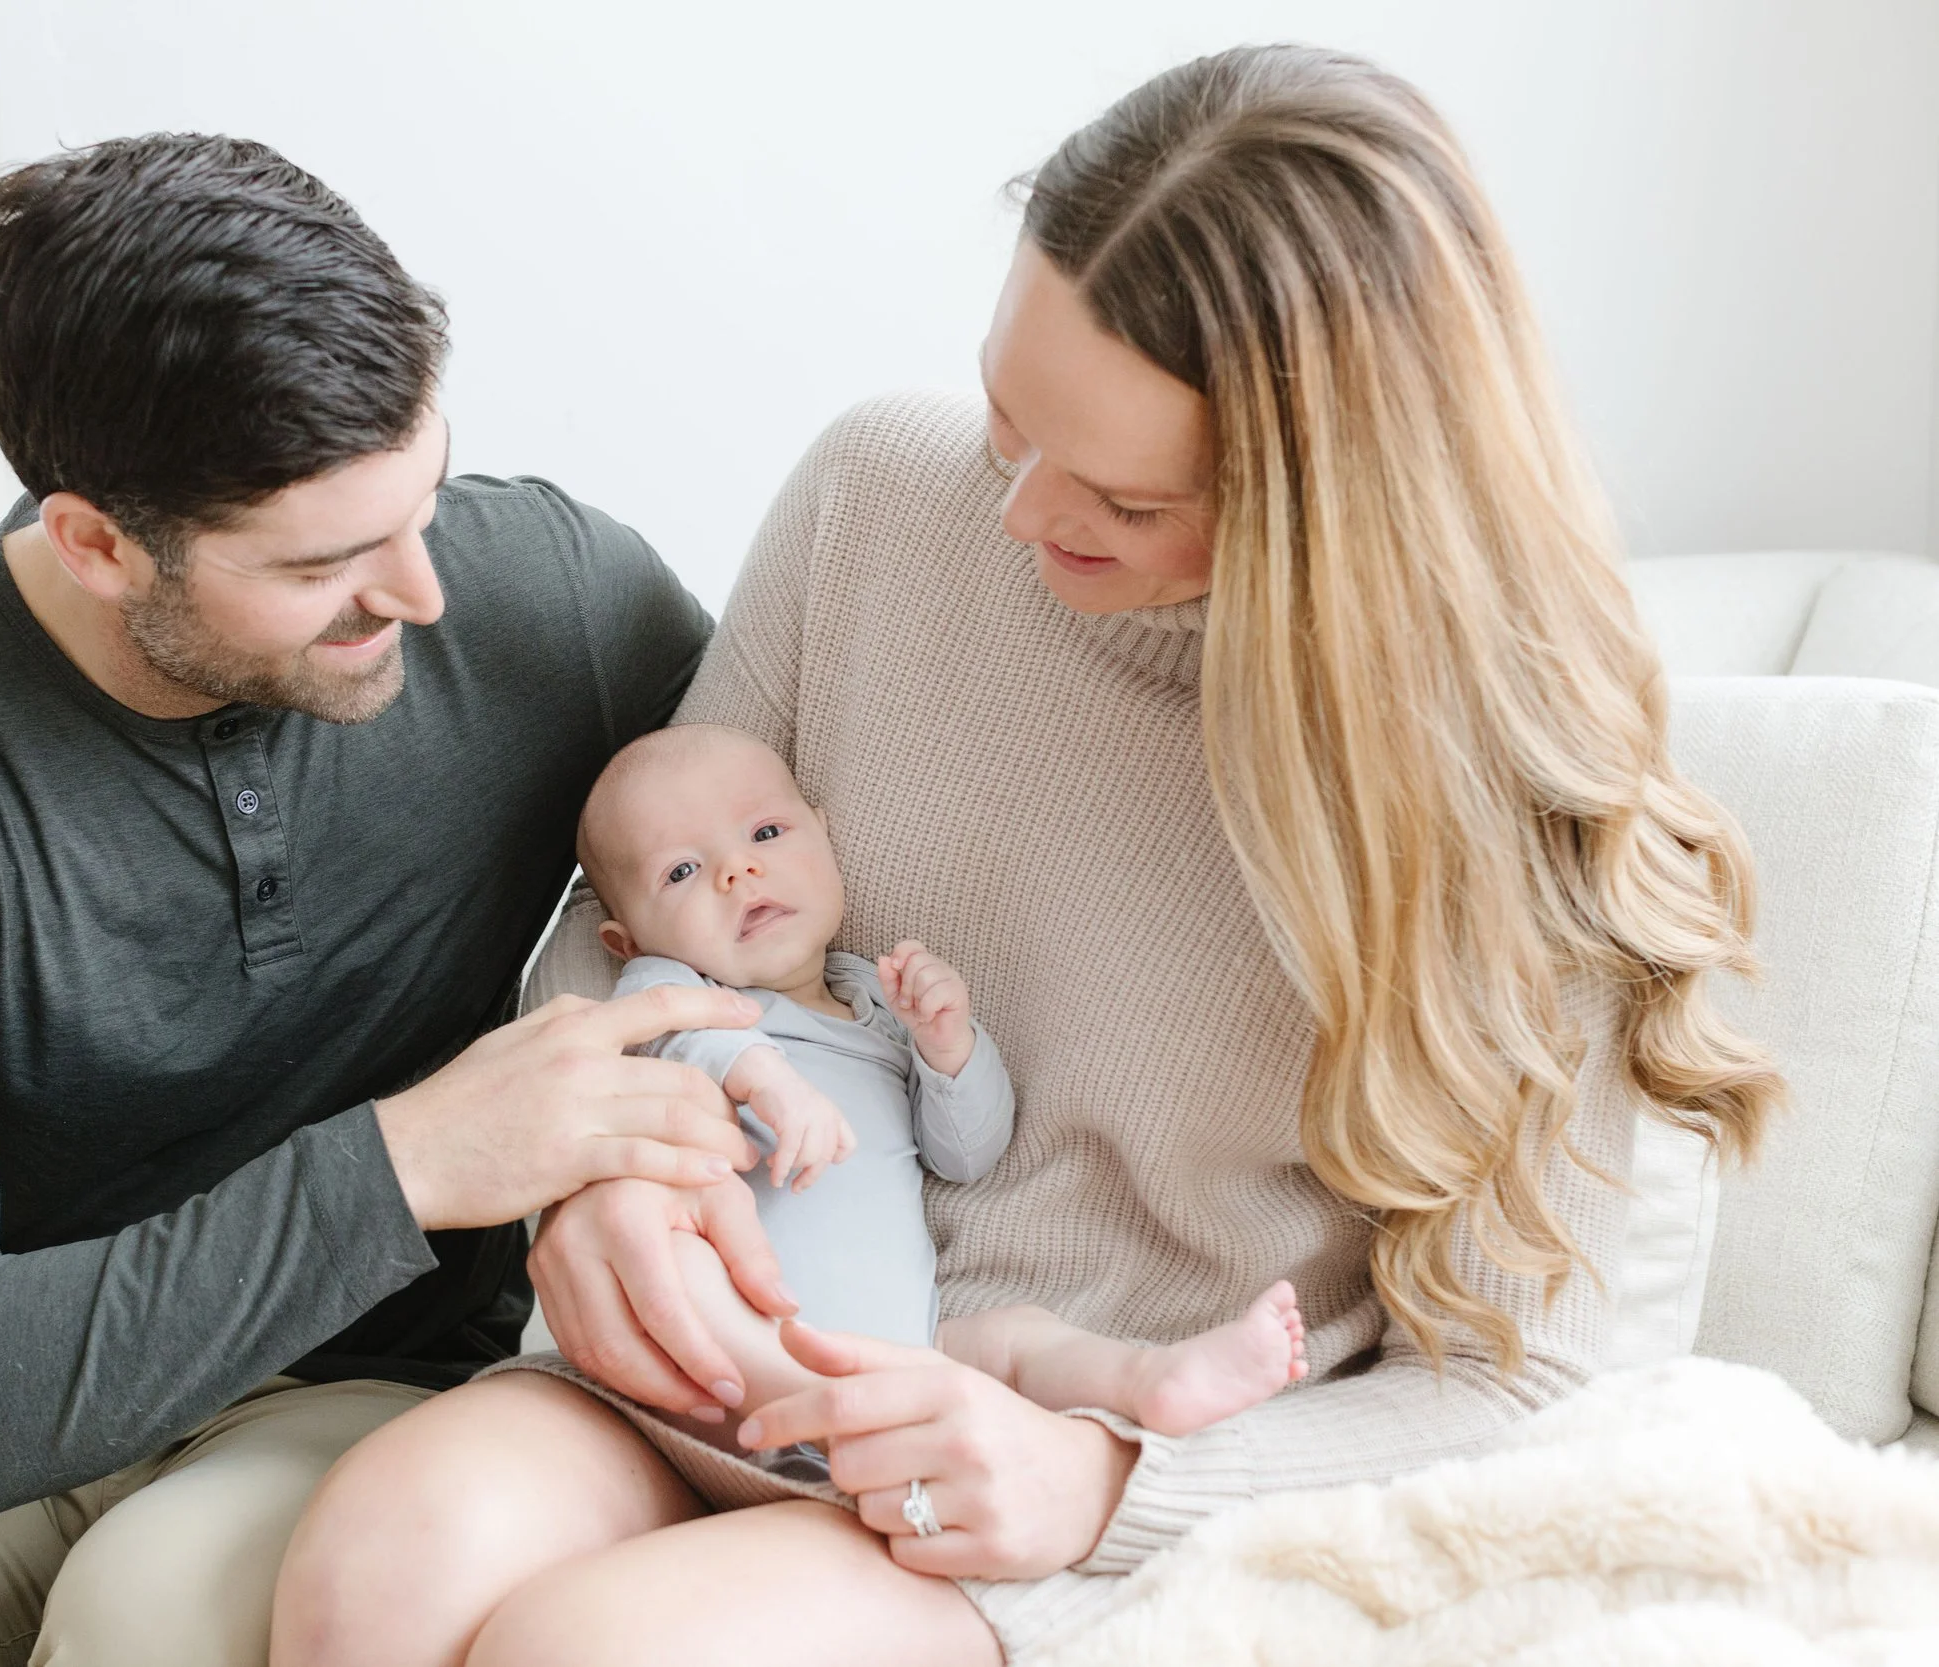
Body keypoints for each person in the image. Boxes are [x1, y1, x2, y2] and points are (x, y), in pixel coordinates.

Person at [269, 44, 1786, 1667]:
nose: (1014, 511)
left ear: (1333, 511)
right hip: (707, 1372)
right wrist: (599, 1167)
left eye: (1119, 498)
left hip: (1029, 1456)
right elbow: (629, 904)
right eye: (1009, 420)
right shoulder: (874, 496)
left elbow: (1530, 1379)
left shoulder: (1513, 797)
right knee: (377, 1572)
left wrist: (1106, 1473)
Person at [0, 134, 790, 1667]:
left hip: (354, 1384)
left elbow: (807, 872)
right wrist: (407, 1162)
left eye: (424, 502)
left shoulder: (560, 599)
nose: (421, 595)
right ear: (98, 543)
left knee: (165, 1621)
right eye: (323, 560)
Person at [576, 720, 1307, 1476]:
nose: (738, 870)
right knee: (673, 1263)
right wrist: (769, 1080)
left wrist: (947, 1048)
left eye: (765, 831)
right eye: (683, 871)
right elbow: (678, 1032)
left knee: (1018, 1338)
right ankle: (825, 1414)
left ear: (824, 838)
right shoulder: (678, 993)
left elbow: (966, 1155)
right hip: (724, 1376)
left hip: (901, 1346)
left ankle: (1151, 1380)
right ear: (627, 941)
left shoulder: (873, 999)